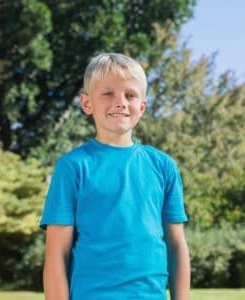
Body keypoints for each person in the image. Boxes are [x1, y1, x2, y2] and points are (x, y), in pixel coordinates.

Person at [40, 52, 190, 300]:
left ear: (142, 107)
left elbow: (176, 246)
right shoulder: (73, 167)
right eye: (108, 93)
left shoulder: (163, 166)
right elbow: (57, 255)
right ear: (87, 103)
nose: (120, 102)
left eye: (130, 95)